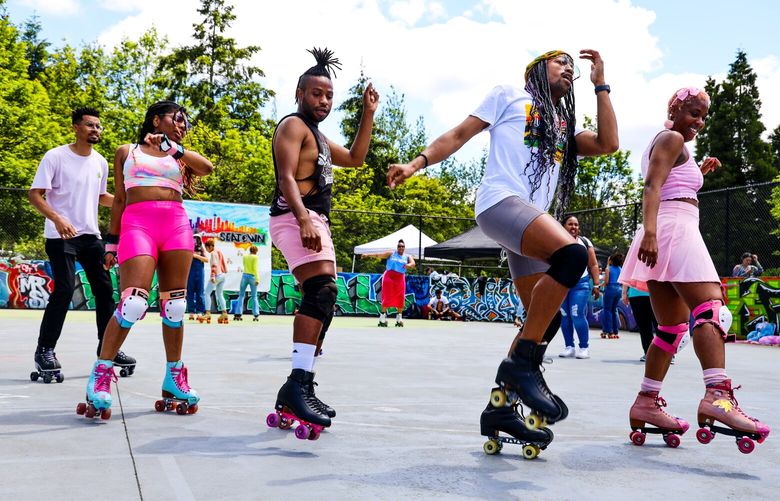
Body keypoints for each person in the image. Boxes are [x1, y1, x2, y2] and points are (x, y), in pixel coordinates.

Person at [387, 49, 618, 455]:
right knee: (573, 255)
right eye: (560, 62)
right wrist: (415, 164)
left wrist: (601, 84)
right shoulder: (509, 95)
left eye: (573, 68)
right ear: (536, 68)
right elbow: (458, 134)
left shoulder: (563, 126)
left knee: (542, 321)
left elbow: (608, 143)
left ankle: (501, 407)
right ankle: (522, 365)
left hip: (529, 218)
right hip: (500, 203)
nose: (569, 69)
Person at [620, 87, 769, 449]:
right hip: (673, 230)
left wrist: (698, 171)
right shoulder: (671, 137)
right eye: (693, 113)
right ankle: (718, 396)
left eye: (704, 116)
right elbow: (652, 186)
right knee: (711, 312)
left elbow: (669, 183)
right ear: (674, 108)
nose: (699, 122)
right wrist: (651, 234)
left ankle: (646, 402)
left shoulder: (670, 144)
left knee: (670, 328)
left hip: (668, 228)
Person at [266, 48, 379, 434]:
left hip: (314, 220)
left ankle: (301, 386)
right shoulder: (292, 127)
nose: (324, 101)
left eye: (329, 96)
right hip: (295, 217)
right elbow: (285, 178)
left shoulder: (318, 134)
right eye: (317, 94)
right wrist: (303, 220)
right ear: (300, 92)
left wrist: (368, 114)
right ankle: (297, 386)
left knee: (325, 299)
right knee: (320, 291)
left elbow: (357, 158)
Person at [78, 101, 213, 419]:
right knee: (133, 303)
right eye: (176, 118)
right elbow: (120, 199)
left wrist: (173, 148)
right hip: (138, 225)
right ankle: (100, 375)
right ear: (156, 119)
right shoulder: (127, 151)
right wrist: (111, 242)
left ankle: (174, 377)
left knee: (175, 305)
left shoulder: (178, 154)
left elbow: (207, 167)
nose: (182, 124)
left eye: (185, 122)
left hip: (176, 225)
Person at [28, 107, 135, 383]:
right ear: (76, 127)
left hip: (90, 236)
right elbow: (35, 194)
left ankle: (108, 348)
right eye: (90, 125)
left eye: (98, 126)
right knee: (63, 289)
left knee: (105, 290)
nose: (95, 130)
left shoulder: (99, 162)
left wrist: (130, 202)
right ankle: (45, 350)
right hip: (59, 234)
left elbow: (102, 197)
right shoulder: (55, 156)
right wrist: (57, 218)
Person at [558, 216, 600, 359]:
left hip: (580, 284)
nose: (574, 227)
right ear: (564, 226)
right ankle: (569, 346)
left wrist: (596, 284)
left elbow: (593, 264)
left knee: (577, 315)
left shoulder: (584, 242)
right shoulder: (556, 240)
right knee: (565, 316)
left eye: (576, 224)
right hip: (561, 284)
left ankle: (584, 347)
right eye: (570, 224)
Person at [375, 239, 415, 327]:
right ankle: (382, 318)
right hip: (389, 277)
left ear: (404, 248)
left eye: (402, 246)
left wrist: (408, 265)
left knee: (400, 297)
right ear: (397, 247)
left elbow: (413, 263)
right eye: (399, 246)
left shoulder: (407, 256)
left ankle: (399, 318)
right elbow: (379, 255)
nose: (401, 248)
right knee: (387, 296)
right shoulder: (391, 254)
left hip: (400, 278)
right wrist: (367, 255)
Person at [621, 284, 658, 362]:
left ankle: (667, 353)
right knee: (644, 326)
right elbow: (627, 273)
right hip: (636, 293)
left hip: (656, 292)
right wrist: (624, 292)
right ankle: (648, 353)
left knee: (660, 326)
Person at [203, 238, 229, 324]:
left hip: (216, 275)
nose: (206, 250)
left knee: (206, 293)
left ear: (210, 246)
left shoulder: (213, 254)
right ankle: (224, 313)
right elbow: (223, 263)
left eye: (206, 247)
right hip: (222, 275)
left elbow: (214, 265)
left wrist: (213, 276)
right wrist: (224, 271)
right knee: (220, 294)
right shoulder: (219, 252)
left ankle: (207, 313)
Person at [600, 252, 623, 340]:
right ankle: (615, 331)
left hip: (610, 289)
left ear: (611, 261)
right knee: (614, 310)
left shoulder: (608, 269)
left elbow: (606, 282)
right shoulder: (620, 269)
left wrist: (600, 286)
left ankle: (609, 331)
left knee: (607, 310)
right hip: (618, 289)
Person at [236, 245, 261, 321]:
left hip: (244, 276)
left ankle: (238, 313)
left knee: (241, 295)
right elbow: (255, 268)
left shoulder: (245, 257)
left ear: (250, 250)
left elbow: (244, 265)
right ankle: (256, 314)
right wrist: (257, 279)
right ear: (256, 251)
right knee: (254, 296)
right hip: (252, 276)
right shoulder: (256, 257)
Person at [186, 234, 208, 321]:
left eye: (197, 239)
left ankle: (200, 311)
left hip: (199, 274)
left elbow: (206, 259)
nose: (195, 241)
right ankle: (191, 312)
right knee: (190, 293)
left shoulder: (202, 249)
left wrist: (196, 256)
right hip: (190, 273)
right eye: (194, 239)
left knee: (200, 293)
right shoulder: (188, 248)